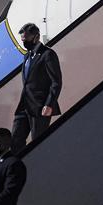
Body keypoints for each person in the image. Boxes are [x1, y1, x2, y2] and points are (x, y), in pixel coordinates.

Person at [12, 22, 62, 154]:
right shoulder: (27, 56)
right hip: (24, 105)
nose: (24, 42)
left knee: (38, 143)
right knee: (15, 140)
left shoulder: (48, 54)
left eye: (26, 39)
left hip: (40, 107)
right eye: (22, 39)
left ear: (36, 37)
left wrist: (49, 104)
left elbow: (56, 82)